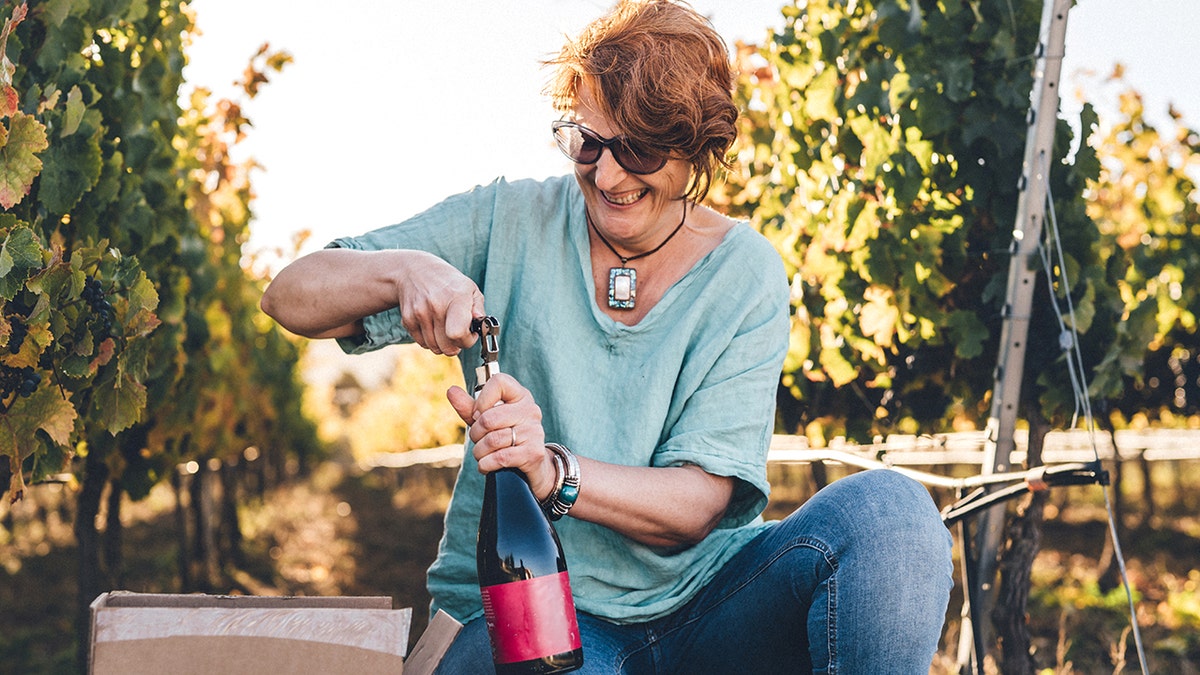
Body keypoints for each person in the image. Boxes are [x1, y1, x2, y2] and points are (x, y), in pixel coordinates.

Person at [260, 1, 953, 672]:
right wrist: (401, 269)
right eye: (588, 142)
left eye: (642, 152)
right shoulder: (510, 217)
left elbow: (698, 503)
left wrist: (551, 470)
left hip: (707, 606)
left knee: (890, 512)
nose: (609, 174)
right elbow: (290, 295)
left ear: (698, 149)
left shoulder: (744, 274)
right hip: (529, 605)